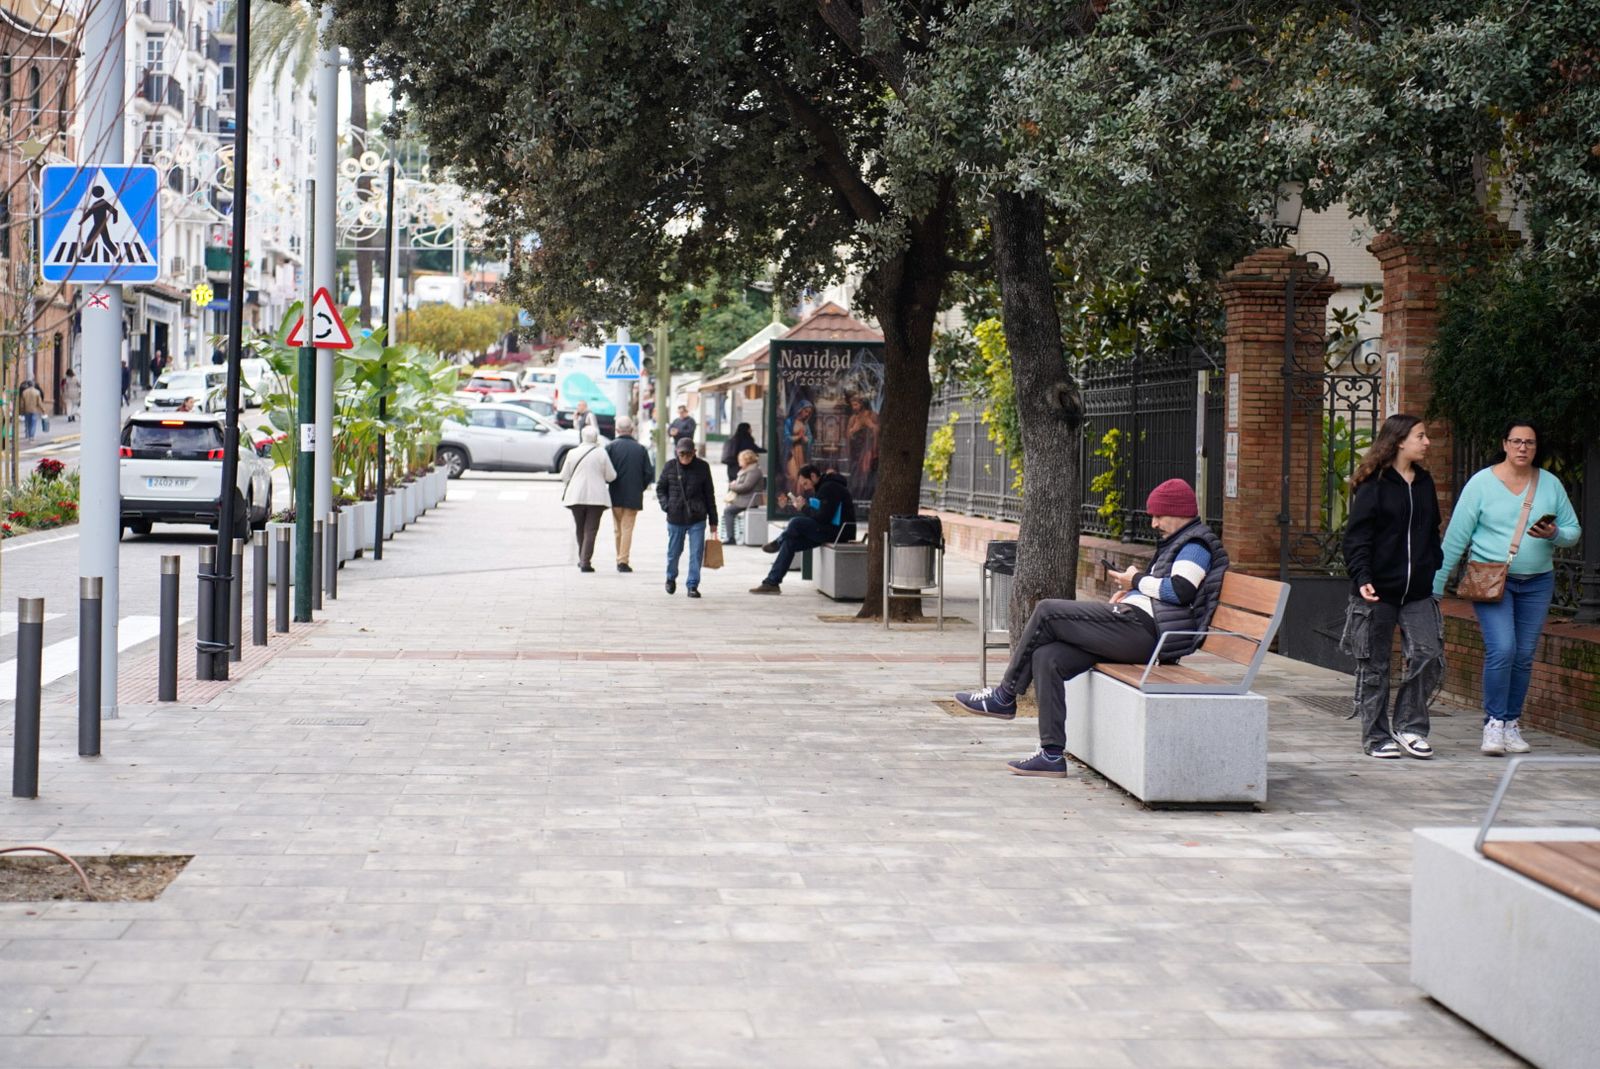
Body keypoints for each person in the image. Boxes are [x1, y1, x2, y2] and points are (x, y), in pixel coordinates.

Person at [953, 479, 1228, 778]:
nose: (1154, 522)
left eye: (1159, 515)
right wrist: (1133, 593)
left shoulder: (1195, 544)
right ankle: (1051, 754)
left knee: (1047, 610)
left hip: (1145, 633)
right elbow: (1167, 593)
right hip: (1137, 627)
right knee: (1048, 656)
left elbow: (1180, 590)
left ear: (1178, 512)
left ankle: (1004, 696)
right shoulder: (1180, 540)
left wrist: (1135, 581)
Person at [1434, 419, 1581, 756]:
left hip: (1537, 582)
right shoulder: (1481, 484)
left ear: (1535, 447)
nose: (1522, 448)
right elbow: (1456, 537)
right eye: (1516, 441)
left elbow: (1574, 531)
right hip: (1491, 581)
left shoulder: (1550, 484)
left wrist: (1554, 534)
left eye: (1529, 443)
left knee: (1525, 655)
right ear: (1504, 444)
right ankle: (1494, 724)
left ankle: (1512, 722)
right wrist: (1436, 587)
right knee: (1503, 649)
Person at [1340, 414, 1445, 760]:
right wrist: (1363, 577)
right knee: (1375, 665)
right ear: (1400, 441)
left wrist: (1433, 562)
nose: (1426, 442)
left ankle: (1410, 726)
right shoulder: (1375, 484)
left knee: (1428, 654)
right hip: (1378, 591)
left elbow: (1432, 531)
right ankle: (1375, 736)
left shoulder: (1425, 482)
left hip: (1417, 591)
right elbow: (1357, 538)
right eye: (1421, 436)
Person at [748, 464, 855, 595]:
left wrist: (803, 508)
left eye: (805, 483)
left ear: (813, 476)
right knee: (790, 543)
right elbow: (822, 514)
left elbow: (823, 517)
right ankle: (771, 582)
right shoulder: (824, 486)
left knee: (796, 522)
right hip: (830, 529)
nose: (804, 487)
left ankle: (778, 543)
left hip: (838, 532)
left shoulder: (829, 487)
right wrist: (806, 506)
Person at [657, 436, 717, 598]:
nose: (685, 458)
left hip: (697, 517)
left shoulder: (702, 467)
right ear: (677, 452)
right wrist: (667, 506)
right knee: (674, 552)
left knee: (696, 552)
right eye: (682, 454)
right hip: (675, 516)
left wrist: (714, 520)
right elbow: (660, 489)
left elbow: (709, 494)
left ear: (694, 452)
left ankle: (692, 585)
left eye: (688, 454)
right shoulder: (670, 466)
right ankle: (670, 577)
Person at [558, 425, 617, 572]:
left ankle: (582, 558)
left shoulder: (572, 453)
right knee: (591, 530)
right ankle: (585, 561)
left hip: (576, 496)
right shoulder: (601, 453)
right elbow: (611, 476)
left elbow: (564, 476)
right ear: (596, 437)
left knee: (580, 527)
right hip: (597, 498)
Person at [605, 415, 654, 573]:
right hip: (633, 496)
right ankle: (622, 561)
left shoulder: (610, 447)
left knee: (617, 529)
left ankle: (620, 557)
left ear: (617, 430)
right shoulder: (640, 449)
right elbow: (649, 473)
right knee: (627, 528)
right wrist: (640, 487)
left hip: (615, 494)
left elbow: (605, 471)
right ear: (632, 430)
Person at [722, 449, 766, 542]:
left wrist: (733, 486)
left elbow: (746, 487)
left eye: (740, 460)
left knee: (728, 511)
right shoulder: (748, 469)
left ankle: (730, 538)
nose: (739, 463)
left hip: (749, 500)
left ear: (747, 460)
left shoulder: (754, 471)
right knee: (729, 509)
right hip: (745, 498)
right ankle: (731, 536)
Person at [845, 397, 879, 501]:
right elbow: (848, 435)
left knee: (866, 472)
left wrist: (870, 425)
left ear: (862, 404)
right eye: (852, 405)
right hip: (856, 451)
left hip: (867, 449)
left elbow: (877, 429)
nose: (854, 407)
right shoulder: (853, 419)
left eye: (856, 405)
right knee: (856, 474)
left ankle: (865, 496)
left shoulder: (871, 415)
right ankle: (856, 496)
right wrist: (853, 430)